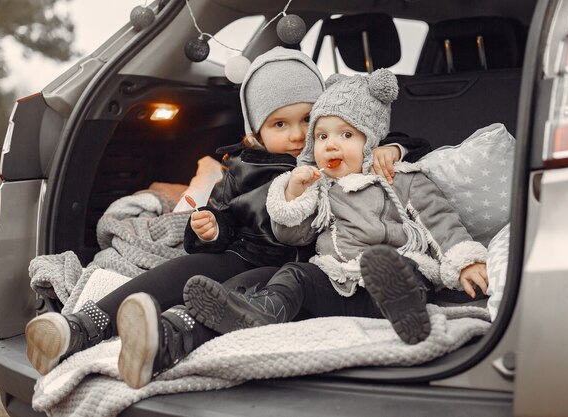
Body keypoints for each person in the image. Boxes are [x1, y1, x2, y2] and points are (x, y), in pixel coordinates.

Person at [24, 48, 417, 378]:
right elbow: (223, 218)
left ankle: (162, 340)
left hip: (296, 264)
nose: (298, 134)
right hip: (240, 250)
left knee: (234, 292)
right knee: (178, 272)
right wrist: (211, 229)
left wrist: (393, 150)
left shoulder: (335, 152)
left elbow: (388, 137)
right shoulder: (242, 166)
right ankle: (80, 327)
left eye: (307, 119)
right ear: (255, 133)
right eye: (280, 123)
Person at [115, 68, 487, 389]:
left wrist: (464, 260)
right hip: (332, 278)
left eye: (343, 134)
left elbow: (438, 219)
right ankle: (259, 312)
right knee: (294, 275)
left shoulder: (395, 176)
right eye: (322, 136)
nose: (322, 142)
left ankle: (406, 311)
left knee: (394, 267)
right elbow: (292, 234)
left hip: (393, 266)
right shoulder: (309, 184)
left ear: (370, 139)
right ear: (257, 131)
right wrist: (292, 195)